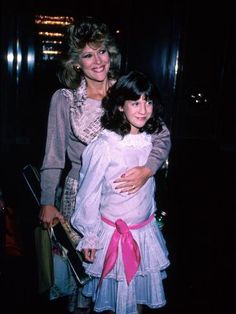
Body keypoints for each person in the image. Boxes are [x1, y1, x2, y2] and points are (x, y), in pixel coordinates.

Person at [39, 16, 171, 313]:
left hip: (128, 198)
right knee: (85, 279)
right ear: (76, 63)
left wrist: (148, 169)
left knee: (125, 280)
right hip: (80, 197)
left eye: (102, 51)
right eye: (87, 54)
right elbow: (53, 155)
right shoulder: (66, 99)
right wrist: (48, 200)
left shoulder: (126, 91)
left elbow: (162, 135)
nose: (98, 61)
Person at [71, 70, 170, 314]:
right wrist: (90, 234)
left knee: (138, 296)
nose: (143, 109)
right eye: (135, 103)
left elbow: (165, 142)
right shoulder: (106, 145)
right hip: (111, 233)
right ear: (119, 107)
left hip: (143, 232)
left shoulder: (150, 138)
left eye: (148, 102)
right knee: (111, 300)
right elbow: (89, 193)